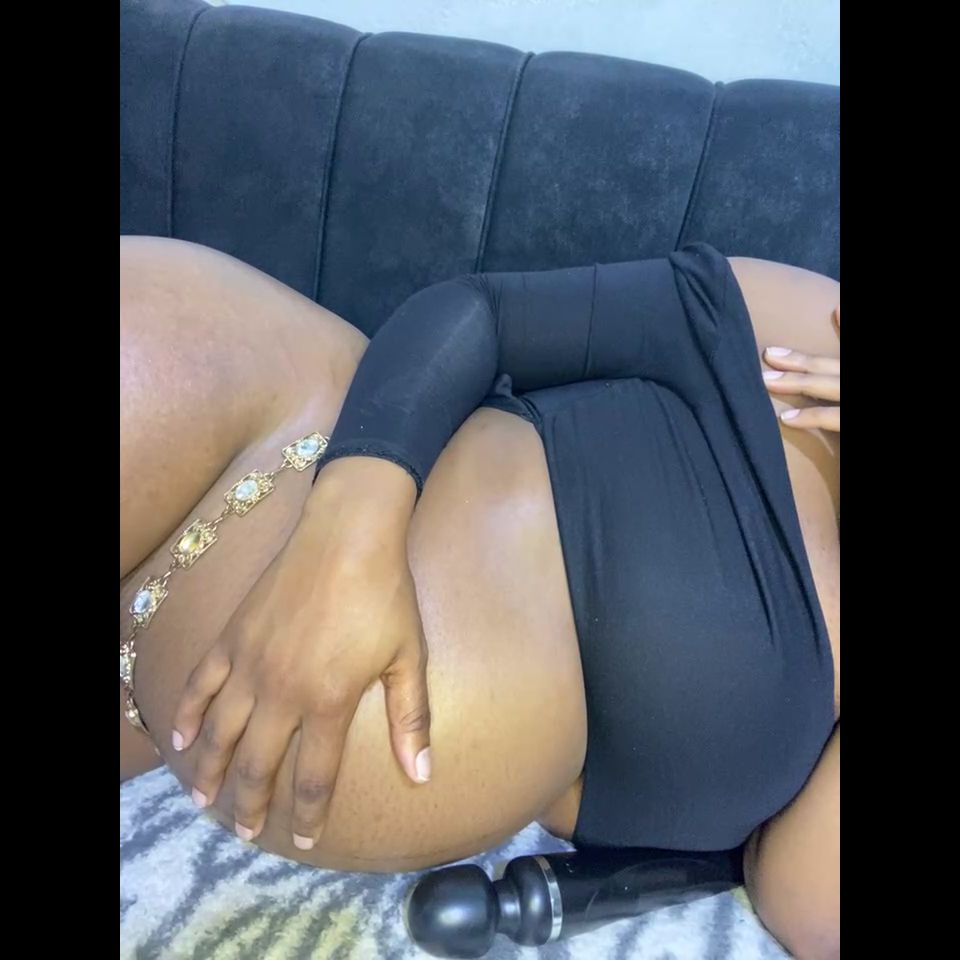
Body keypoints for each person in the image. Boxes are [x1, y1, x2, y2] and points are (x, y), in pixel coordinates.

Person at [120, 235, 839, 958]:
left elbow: (805, 902)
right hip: (236, 415)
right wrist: (346, 540)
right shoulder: (813, 328)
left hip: (158, 703)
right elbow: (480, 314)